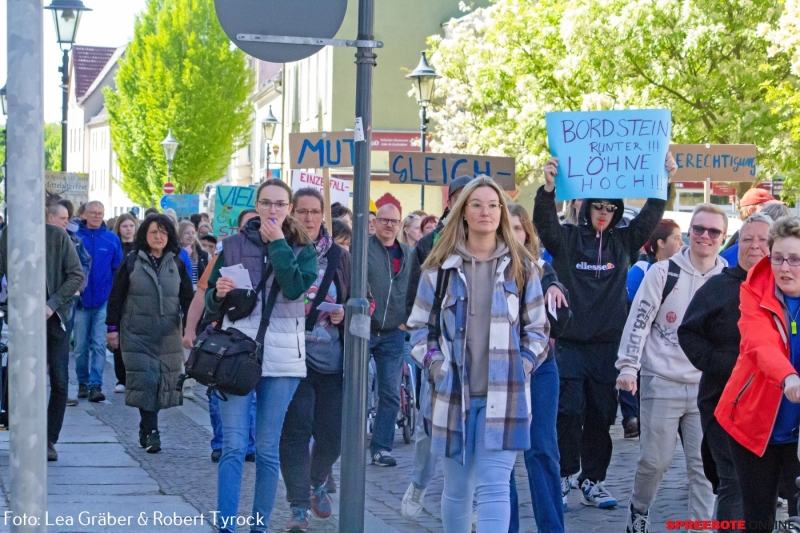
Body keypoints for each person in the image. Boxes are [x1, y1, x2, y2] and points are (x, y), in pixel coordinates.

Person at [533, 153, 677, 509]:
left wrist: (665, 179)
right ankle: (566, 475)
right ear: (584, 208)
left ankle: (593, 481)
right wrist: (548, 188)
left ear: (616, 212)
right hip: (569, 343)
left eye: (610, 208)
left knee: (601, 414)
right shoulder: (566, 239)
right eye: (596, 206)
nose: (602, 212)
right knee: (568, 411)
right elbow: (544, 223)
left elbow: (650, 216)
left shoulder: (624, 242)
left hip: (608, 345)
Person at [406, 176, 549, 532]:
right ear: (463, 212)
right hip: (453, 394)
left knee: (495, 486)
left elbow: (537, 330)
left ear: (502, 212)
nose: (486, 212)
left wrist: (525, 365)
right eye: (476, 205)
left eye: (493, 205)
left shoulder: (523, 268)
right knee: (457, 488)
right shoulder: (439, 269)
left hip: (506, 394)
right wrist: (436, 366)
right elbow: (419, 329)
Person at [205, 178, 317, 533]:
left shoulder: (303, 247)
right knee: (235, 447)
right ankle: (225, 526)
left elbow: (296, 287)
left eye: (279, 204)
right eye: (266, 203)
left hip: (283, 357)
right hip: (236, 353)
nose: (272, 210)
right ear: (257, 205)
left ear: (289, 208)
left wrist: (280, 244)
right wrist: (219, 294)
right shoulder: (233, 245)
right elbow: (211, 299)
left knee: (267, 449)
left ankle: (259, 526)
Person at [616, 204, 727, 532]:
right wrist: (627, 367)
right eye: (698, 229)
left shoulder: (727, 278)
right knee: (655, 462)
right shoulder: (663, 274)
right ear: (689, 232)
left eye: (713, 231)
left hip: (706, 387)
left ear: (721, 237)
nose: (705, 236)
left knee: (704, 467)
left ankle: (700, 526)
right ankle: (639, 509)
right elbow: (638, 321)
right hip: (661, 380)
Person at [679, 213, 773, 533]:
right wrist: (720, 363)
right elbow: (688, 333)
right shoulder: (718, 286)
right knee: (733, 477)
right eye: (747, 239)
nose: (755, 246)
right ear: (737, 244)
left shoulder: (783, 288)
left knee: (764, 484)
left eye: (762, 240)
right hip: (723, 401)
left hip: (771, 405)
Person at [715, 216, 800, 533]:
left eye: (795, 260)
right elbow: (758, 343)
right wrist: (788, 377)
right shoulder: (753, 290)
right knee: (758, 519)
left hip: (798, 433)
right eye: (777, 258)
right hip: (753, 423)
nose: (784, 268)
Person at [280, 188, 351, 531]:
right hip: (292, 360)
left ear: (324, 215)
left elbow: (362, 302)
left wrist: (344, 314)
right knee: (296, 429)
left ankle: (317, 480)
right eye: (303, 211)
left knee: (333, 434)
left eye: (315, 212)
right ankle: (298, 508)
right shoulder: (283, 250)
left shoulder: (340, 256)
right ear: (293, 213)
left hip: (333, 361)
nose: (309, 218)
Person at [105, 214, 192, 453]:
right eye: (154, 232)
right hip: (136, 333)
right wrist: (112, 329)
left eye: (163, 232)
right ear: (145, 234)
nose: (158, 237)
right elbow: (116, 297)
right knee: (147, 380)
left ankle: (146, 426)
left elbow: (188, 298)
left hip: (168, 335)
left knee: (163, 382)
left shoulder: (178, 263)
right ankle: (153, 431)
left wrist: (193, 328)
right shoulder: (133, 261)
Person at [0, 219, 84, 461]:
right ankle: (23, 432)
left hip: (55, 317)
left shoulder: (57, 236)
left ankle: (49, 439)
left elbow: (76, 275)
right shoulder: (8, 235)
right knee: (20, 376)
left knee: (59, 380)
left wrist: (51, 305)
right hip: (21, 318)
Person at [506, 203, 568, 533]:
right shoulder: (483, 266)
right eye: (508, 227)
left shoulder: (542, 269)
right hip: (498, 371)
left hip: (540, 368)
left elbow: (562, 318)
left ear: (527, 234)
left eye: (519, 228)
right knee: (501, 460)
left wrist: (555, 290)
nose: (514, 234)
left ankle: (552, 528)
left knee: (542, 451)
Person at [183, 209, 259, 464]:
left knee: (254, 394)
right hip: (225, 335)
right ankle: (221, 442)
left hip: (258, 339)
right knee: (221, 389)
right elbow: (201, 293)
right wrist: (189, 329)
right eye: (250, 225)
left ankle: (249, 444)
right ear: (240, 230)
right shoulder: (224, 255)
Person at [620, 218, 683, 439]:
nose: (682, 243)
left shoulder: (683, 270)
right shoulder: (642, 267)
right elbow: (629, 305)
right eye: (676, 238)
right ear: (661, 242)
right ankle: (631, 417)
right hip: (643, 339)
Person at [367, 202, 419, 467]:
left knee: (389, 393)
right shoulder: (362, 250)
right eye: (384, 220)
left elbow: (416, 290)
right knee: (355, 388)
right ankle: (348, 441)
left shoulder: (408, 255)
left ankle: (381, 448)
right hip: (363, 329)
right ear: (374, 222)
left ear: (400, 225)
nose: (389, 225)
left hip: (393, 333)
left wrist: (407, 322)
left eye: (394, 221)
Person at [75, 201, 123, 403]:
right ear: (84, 214)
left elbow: (118, 270)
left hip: (103, 300)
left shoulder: (111, 239)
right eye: (93, 213)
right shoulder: (75, 237)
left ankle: (96, 384)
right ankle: (82, 383)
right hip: (79, 302)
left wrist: (113, 295)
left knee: (98, 344)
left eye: (100, 213)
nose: (96, 216)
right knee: (79, 346)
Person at [111, 213, 139, 394]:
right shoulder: (115, 246)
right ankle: (121, 378)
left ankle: (135, 376)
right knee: (118, 336)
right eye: (124, 226)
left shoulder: (140, 247)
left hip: (136, 295)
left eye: (131, 225)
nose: (128, 229)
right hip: (117, 293)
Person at [719, 189, 776, 265]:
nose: (755, 245)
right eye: (766, 208)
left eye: (763, 239)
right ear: (751, 211)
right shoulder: (726, 260)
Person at [178, 220, 209, 290]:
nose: (191, 236)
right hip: (184, 291)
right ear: (180, 234)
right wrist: (184, 254)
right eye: (187, 233)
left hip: (198, 291)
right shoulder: (175, 253)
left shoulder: (201, 253)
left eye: (193, 233)